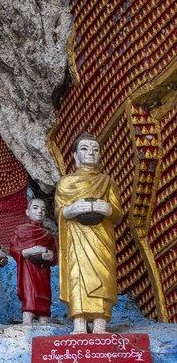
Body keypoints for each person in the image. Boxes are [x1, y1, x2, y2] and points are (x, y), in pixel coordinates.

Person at [55, 133, 123, 334]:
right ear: (75, 156)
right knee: (77, 275)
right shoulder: (65, 183)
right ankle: (79, 324)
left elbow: (118, 213)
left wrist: (107, 209)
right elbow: (60, 211)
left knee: (103, 275)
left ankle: (101, 324)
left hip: (101, 238)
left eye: (95, 149)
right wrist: (72, 209)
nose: (91, 153)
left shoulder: (107, 181)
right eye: (85, 149)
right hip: (77, 237)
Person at [10, 199, 57, 325]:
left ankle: (44, 324)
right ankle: (27, 322)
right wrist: (29, 251)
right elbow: (13, 249)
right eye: (35, 208)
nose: (40, 211)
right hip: (28, 269)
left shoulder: (48, 234)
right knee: (30, 295)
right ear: (27, 212)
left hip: (43, 271)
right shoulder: (21, 230)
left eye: (43, 209)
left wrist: (50, 256)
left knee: (44, 299)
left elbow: (55, 257)